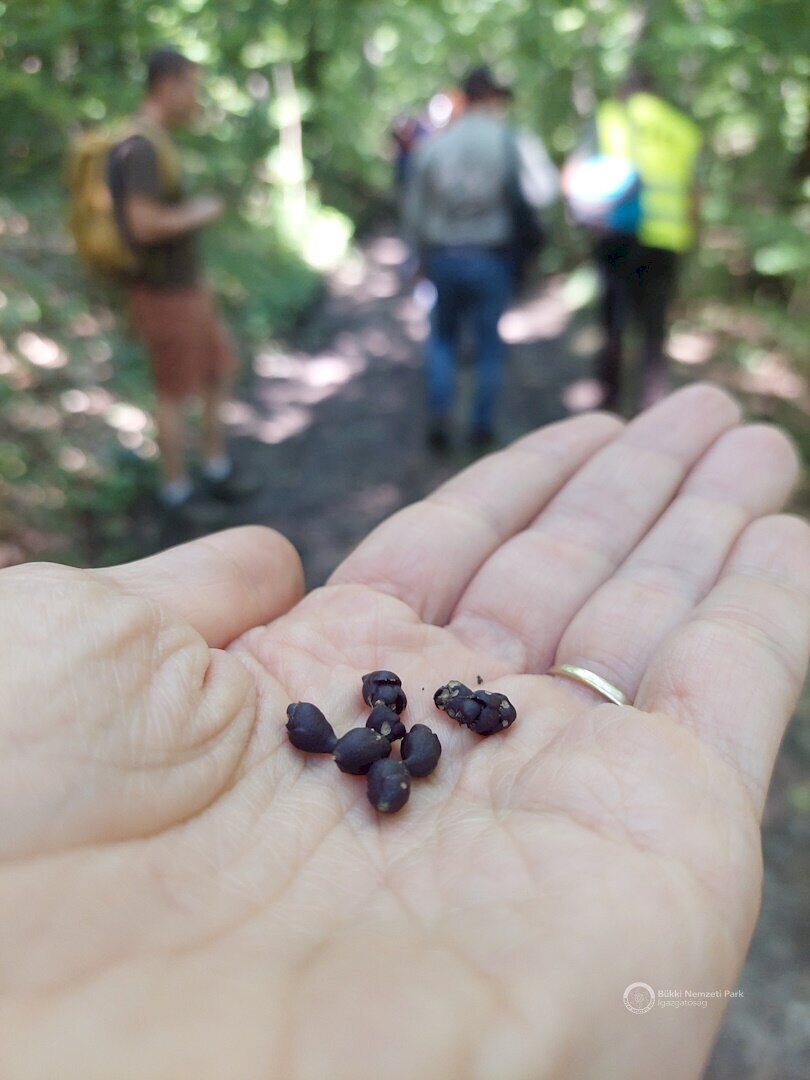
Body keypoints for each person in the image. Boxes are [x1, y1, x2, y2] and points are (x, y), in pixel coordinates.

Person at [1, 383, 808, 1078]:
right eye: (395, 719)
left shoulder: (402, 738)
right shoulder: (376, 742)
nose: (394, 726)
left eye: (394, 720)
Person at [110, 47, 243, 509]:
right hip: (162, 293)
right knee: (173, 390)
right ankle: (177, 493)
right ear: (168, 85)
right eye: (192, 87)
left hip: (187, 289)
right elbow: (144, 224)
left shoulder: (156, 140)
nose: (196, 99)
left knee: (219, 367)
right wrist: (200, 211)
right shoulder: (139, 147)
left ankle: (214, 468)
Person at [404, 65, 558, 453]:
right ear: (491, 98)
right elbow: (545, 191)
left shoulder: (436, 146)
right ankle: (481, 426)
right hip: (491, 257)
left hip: (443, 256)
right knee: (489, 343)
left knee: (442, 338)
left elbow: (415, 211)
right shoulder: (511, 141)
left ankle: (440, 415)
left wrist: (417, 258)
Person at [564, 69, 702, 414]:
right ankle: (652, 407)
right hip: (666, 241)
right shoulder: (683, 130)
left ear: (625, 89)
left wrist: (584, 218)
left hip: (618, 236)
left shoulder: (609, 118)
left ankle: (608, 402)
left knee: (613, 322)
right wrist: (689, 236)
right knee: (654, 329)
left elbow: (573, 176)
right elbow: (695, 194)